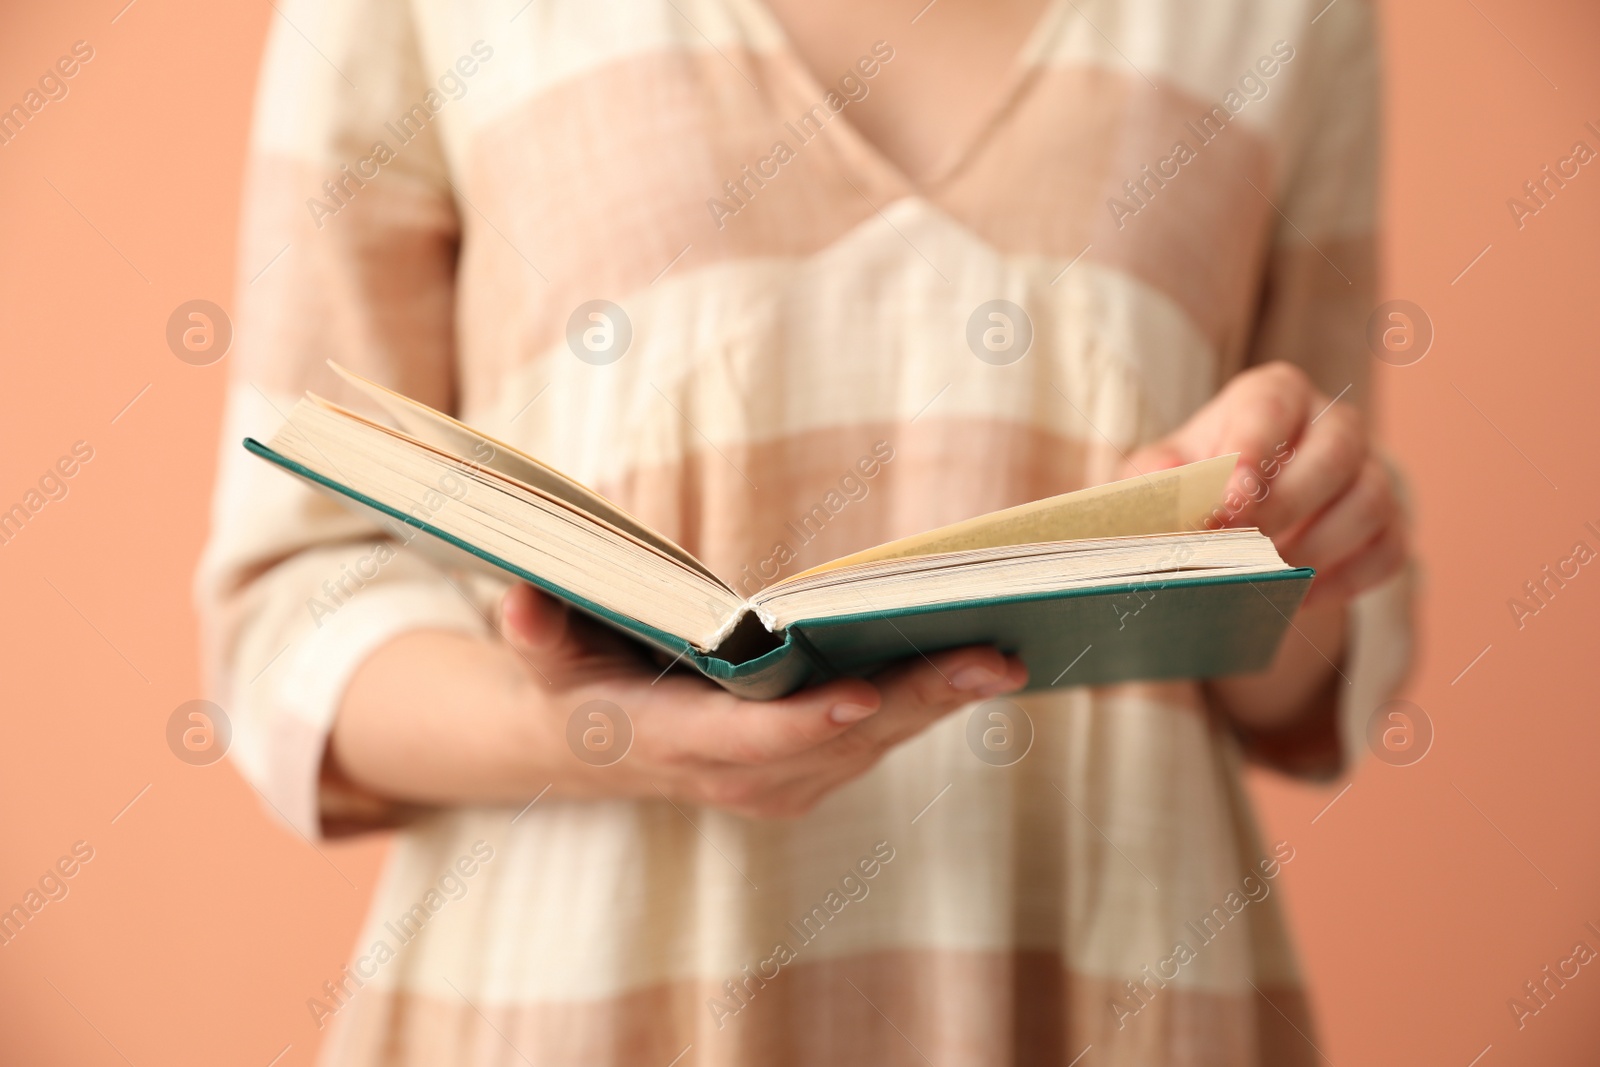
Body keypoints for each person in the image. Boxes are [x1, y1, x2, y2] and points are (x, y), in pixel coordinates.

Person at [198, 0, 1413, 1062]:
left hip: (1118, 974)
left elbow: (1291, 658)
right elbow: (287, 603)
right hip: (574, 995)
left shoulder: (1294, 16)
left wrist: (1313, 541)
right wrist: (585, 733)